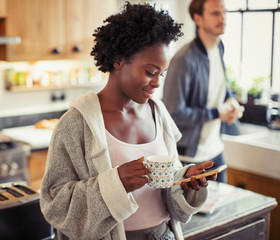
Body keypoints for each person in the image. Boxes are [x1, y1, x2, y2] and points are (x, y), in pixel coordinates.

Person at [40, 2, 216, 240]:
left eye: (161, 74)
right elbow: (55, 203)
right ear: (119, 60)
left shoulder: (158, 113)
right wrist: (116, 184)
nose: (157, 83)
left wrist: (183, 181)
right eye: (150, 72)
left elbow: (165, 182)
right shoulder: (76, 124)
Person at [162, 0, 244, 183]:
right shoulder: (183, 59)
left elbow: (219, 87)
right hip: (190, 159)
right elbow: (173, 113)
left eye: (224, 12)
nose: (223, 18)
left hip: (216, 151)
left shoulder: (219, 47)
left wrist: (231, 100)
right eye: (215, 13)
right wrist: (217, 113)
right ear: (198, 18)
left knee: (224, 211)